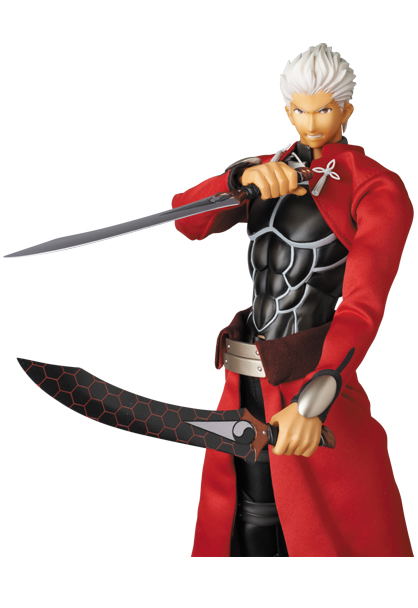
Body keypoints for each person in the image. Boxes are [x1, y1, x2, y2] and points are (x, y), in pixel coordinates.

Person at [172, 43, 413, 557]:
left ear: (346, 110)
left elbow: (362, 307)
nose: (311, 123)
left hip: (313, 378)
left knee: (319, 529)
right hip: (246, 376)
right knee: (246, 518)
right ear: (287, 111)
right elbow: (186, 220)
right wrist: (239, 178)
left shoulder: (375, 187)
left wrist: (314, 403)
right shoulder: (266, 172)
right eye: (300, 110)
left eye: (323, 110)